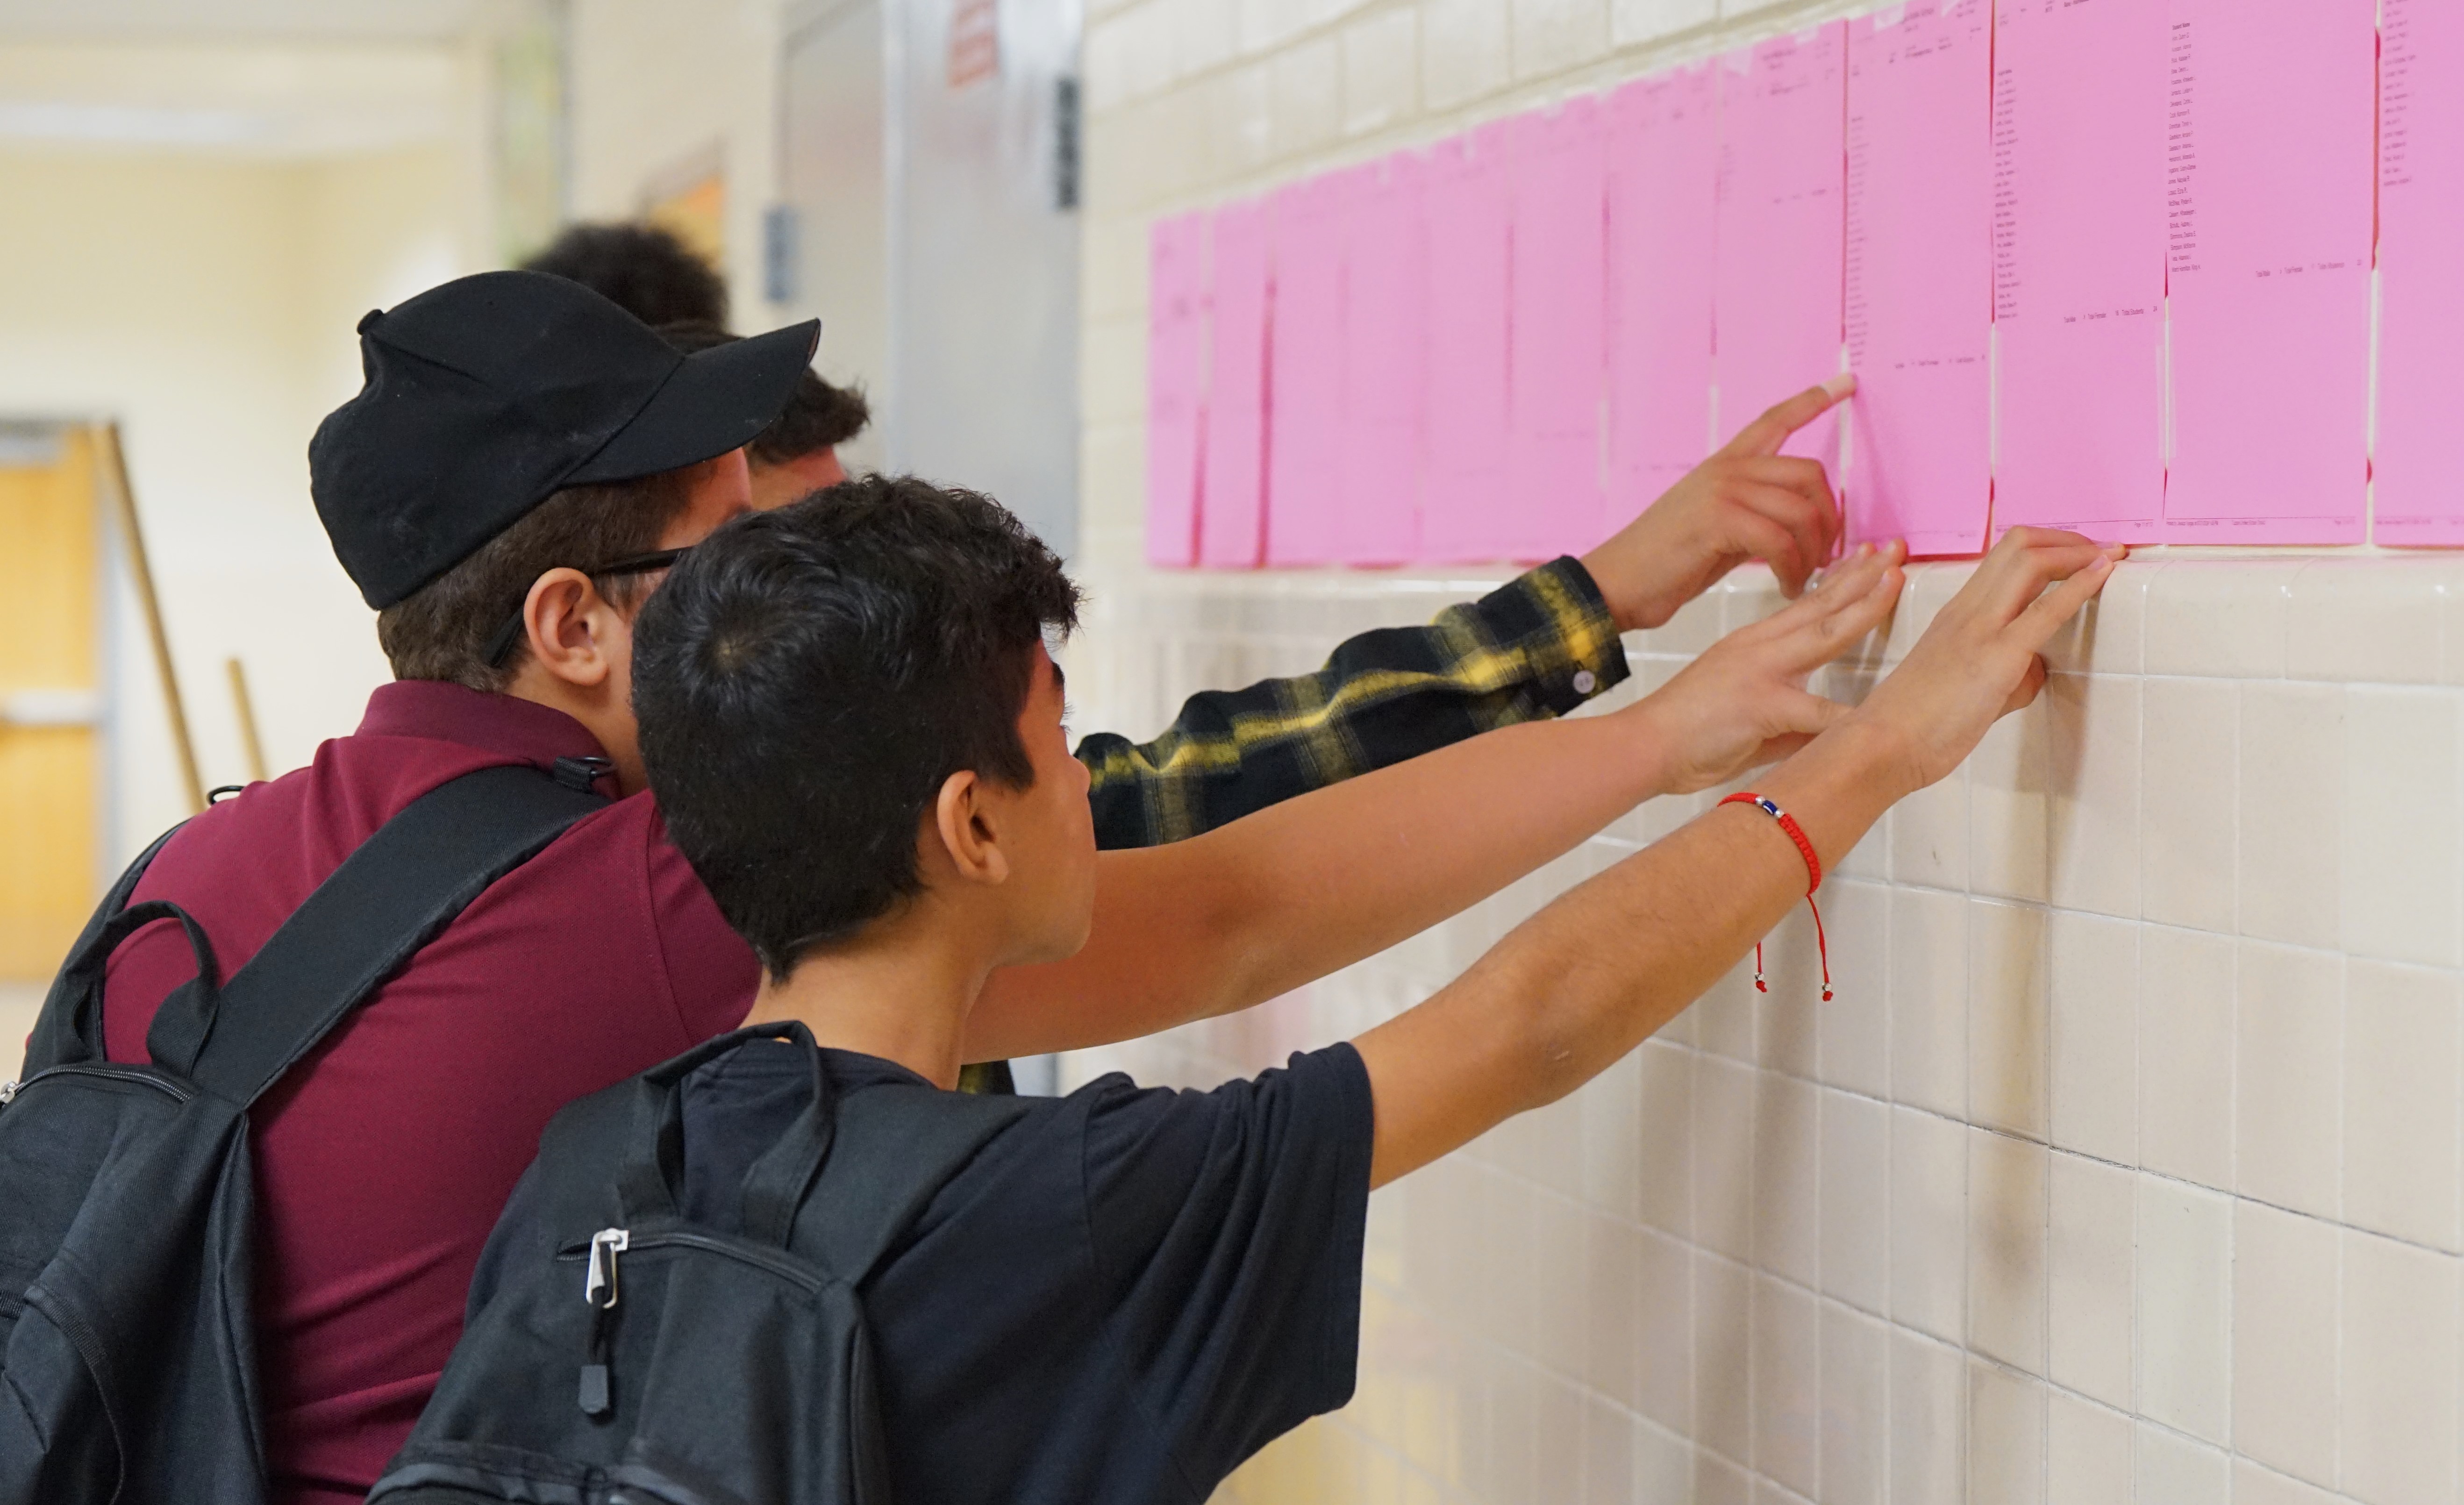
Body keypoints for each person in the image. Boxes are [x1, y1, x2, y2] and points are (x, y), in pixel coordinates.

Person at [91, 267, 1860, 1504]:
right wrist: (1668, 709)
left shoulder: (193, 873)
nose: (796, 586)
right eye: (742, 558)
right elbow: (1219, 890)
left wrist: (1606, 604)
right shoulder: (632, 890)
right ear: (570, 627)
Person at [460, 482, 2117, 1503]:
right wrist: (1887, 752)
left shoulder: (595, 1162)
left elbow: (1242, 912)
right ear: (971, 828)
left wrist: (1656, 743)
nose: (1085, 780)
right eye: (1056, 746)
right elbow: (1522, 1025)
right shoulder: (1068, 1204)